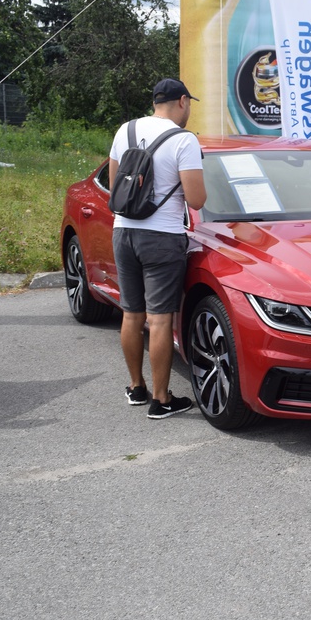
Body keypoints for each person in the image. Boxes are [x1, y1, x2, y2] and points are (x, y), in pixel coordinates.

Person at [109, 78, 206, 419]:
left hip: (123, 232)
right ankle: (161, 400)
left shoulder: (125, 130)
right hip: (162, 237)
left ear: (154, 102)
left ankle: (137, 388)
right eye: (189, 104)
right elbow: (196, 199)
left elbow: (115, 186)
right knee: (160, 320)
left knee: (131, 314)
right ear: (182, 101)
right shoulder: (183, 140)